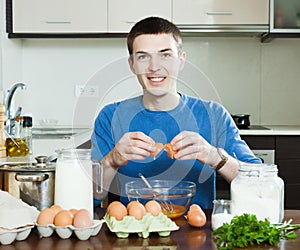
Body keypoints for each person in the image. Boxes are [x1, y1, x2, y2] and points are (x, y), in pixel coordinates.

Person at [91, 16, 261, 209]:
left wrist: (214, 156)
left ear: (181, 60)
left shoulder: (214, 115)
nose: (154, 67)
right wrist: (112, 160)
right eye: (143, 56)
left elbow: (260, 186)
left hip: (198, 232)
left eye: (165, 55)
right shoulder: (110, 116)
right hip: (131, 231)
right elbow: (90, 197)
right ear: (132, 65)